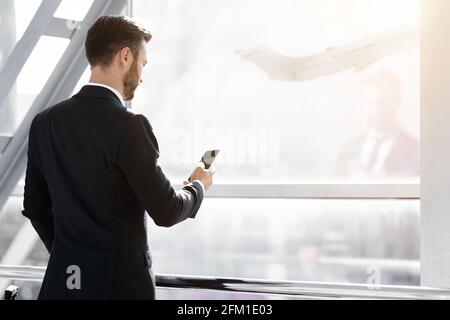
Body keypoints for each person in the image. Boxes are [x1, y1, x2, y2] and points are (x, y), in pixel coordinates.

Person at [21, 16, 215, 300]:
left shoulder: (44, 123)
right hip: (119, 289)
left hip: (63, 286)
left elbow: (34, 207)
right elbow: (167, 210)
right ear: (125, 56)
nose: (142, 75)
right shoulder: (129, 126)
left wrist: (72, 257)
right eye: (143, 64)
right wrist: (197, 187)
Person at [335, 70, 419, 179]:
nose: (374, 110)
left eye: (381, 102)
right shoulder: (348, 149)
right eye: (370, 102)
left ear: (397, 100)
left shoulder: (417, 151)